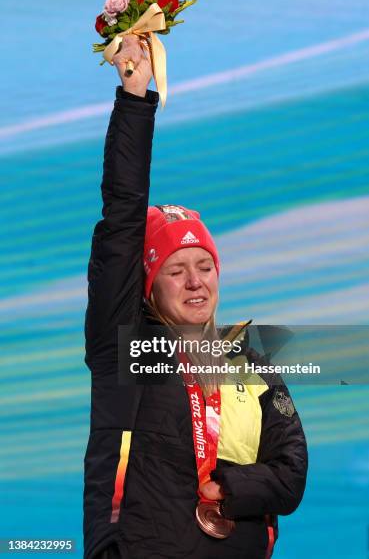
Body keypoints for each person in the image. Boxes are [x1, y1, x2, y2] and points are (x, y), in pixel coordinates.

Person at [83, 36, 308, 559]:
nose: (195, 282)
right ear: (148, 286)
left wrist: (226, 490)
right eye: (175, 270)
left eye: (205, 267)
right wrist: (136, 101)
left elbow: (291, 469)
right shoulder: (124, 350)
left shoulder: (252, 364)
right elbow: (121, 221)